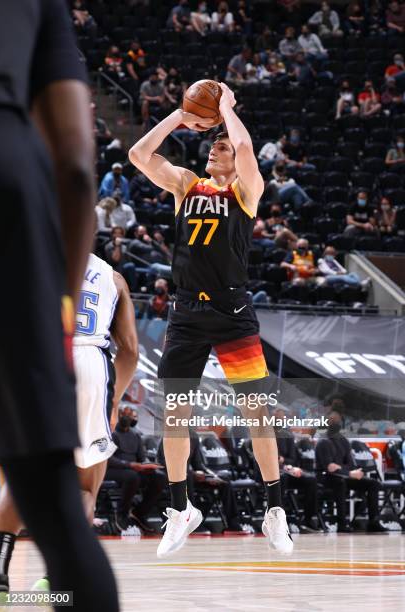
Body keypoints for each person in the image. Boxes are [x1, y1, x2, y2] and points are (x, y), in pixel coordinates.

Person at [129, 83, 293, 558]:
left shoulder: (246, 189)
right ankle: (182, 510)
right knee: (174, 414)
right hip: (186, 312)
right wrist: (180, 117)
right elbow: (141, 154)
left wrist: (226, 109)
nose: (218, 144)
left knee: (255, 414)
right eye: (213, 143)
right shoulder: (185, 184)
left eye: (222, 142)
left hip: (233, 311)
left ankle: (275, 510)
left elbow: (243, 147)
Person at [0, 2, 119, 610]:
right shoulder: (112, 276)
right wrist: (60, 317)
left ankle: (0, 575)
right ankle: (54, 591)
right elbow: (76, 168)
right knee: (66, 501)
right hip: (74, 345)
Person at [0, 253, 138, 595]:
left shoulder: (31, 258)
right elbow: (130, 349)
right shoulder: (114, 278)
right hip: (91, 368)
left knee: (23, 477)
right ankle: (56, 578)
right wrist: (114, 398)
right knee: (85, 486)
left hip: (40, 362)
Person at [316, 410, 387, 532]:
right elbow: (328, 467)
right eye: (332, 420)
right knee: (340, 482)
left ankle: (373, 521)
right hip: (326, 478)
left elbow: (350, 463)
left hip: (344, 475)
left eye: (337, 420)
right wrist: (348, 472)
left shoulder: (343, 441)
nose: (335, 423)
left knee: (373, 483)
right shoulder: (323, 441)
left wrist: (346, 471)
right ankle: (342, 524)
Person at [106, 414, 167, 532]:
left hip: (133, 469)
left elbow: (142, 458)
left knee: (160, 477)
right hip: (112, 470)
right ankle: (121, 515)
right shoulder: (109, 433)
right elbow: (108, 458)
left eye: (132, 416)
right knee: (132, 477)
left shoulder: (136, 436)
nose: (129, 418)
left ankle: (139, 513)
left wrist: (147, 465)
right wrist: (129, 465)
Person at [274, 407, 320, 532]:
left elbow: (293, 459)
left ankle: (309, 519)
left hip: (286, 471)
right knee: (281, 478)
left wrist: (286, 464)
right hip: (270, 473)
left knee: (310, 479)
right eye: (276, 417)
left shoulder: (287, 436)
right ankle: (279, 522)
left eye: (282, 418)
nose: (279, 420)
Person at [104, 226, 137, 292]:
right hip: (115, 270)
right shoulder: (108, 246)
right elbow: (115, 260)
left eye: (120, 233)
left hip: (125, 270)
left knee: (132, 267)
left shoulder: (125, 246)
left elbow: (129, 259)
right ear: (112, 234)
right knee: (130, 266)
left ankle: (134, 289)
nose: (117, 235)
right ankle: (134, 290)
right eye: (115, 233)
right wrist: (117, 245)